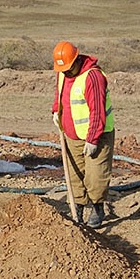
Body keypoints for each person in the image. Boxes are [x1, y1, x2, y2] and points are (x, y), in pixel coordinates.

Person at [52, 41, 115, 229]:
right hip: (71, 135)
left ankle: (97, 208)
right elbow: (60, 94)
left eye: (69, 69)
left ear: (77, 59)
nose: (66, 72)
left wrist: (93, 139)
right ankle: (77, 208)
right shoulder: (62, 72)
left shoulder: (93, 77)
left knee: (95, 176)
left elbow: (97, 111)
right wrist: (56, 111)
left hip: (97, 135)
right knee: (75, 174)